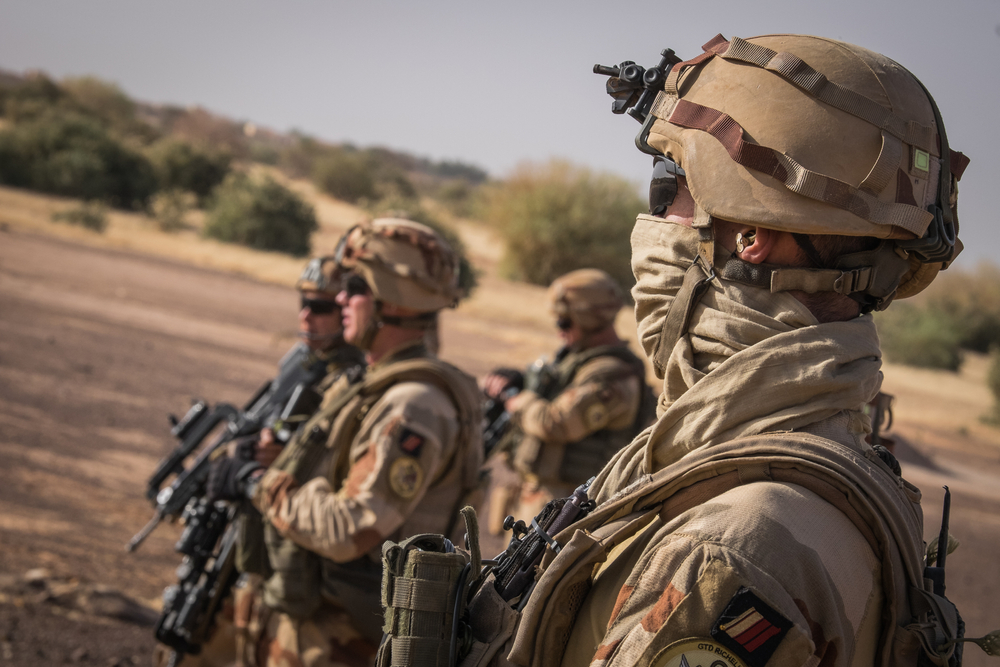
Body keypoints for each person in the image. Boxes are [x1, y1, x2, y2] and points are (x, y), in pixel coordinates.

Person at [454, 33, 981, 667]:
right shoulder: (809, 461)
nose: (653, 222)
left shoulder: (732, 550)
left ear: (750, 234)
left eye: (668, 190)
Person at [214, 218, 484, 667]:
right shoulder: (377, 384)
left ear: (390, 301)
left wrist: (257, 484)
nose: (339, 298)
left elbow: (348, 529)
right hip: (318, 627)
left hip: (344, 642)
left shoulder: (413, 405)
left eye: (355, 286)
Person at [155, 257, 366, 667]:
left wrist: (275, 458)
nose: (306, 314)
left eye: (321, 307)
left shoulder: (355, 379)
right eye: (303, 302)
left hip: (298, 552)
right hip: (255, 526)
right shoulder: (301, 361)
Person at [481, 269, 655, 528]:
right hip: (544, 502)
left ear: (589, 320)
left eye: (565, 322)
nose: (559, 330)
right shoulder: (579, 360)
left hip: (567, 511)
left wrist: (519, 401)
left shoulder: (611, 375)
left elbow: (556, 422)